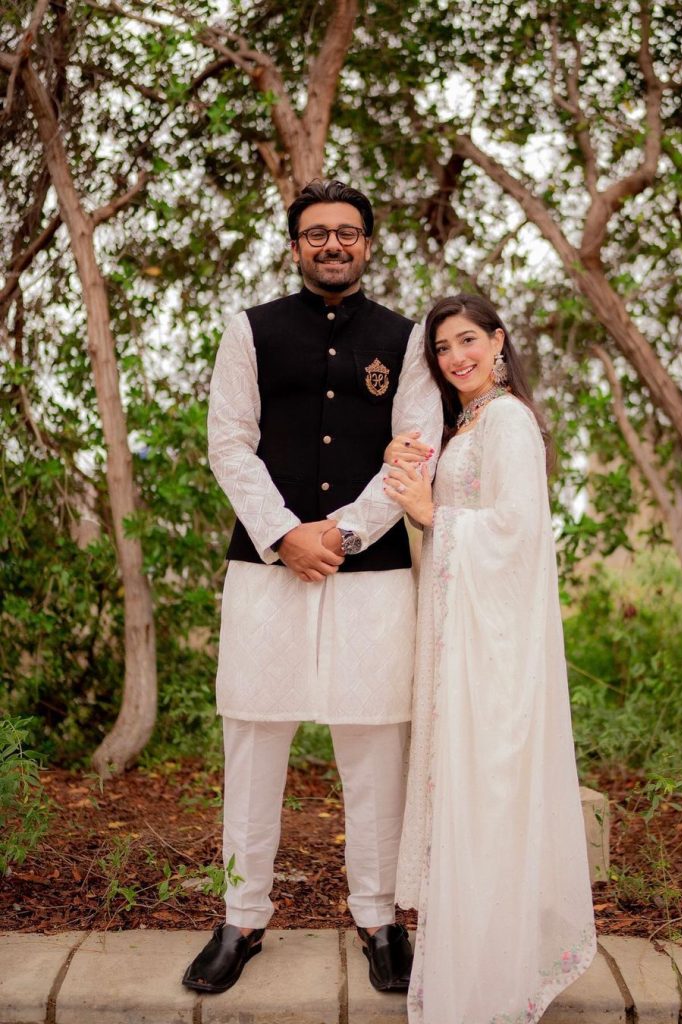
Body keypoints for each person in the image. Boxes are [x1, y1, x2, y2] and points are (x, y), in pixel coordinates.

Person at [182, 179, 442, 996]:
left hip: (370, 574)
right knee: (253, 740)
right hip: (266, 568)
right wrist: (285, 534)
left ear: (369, 244)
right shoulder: (247, 330)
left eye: (348, 233)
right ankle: (241, 917)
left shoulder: (405, 340)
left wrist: (343, 534)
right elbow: (229, 443)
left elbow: (412, 451)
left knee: (373, 749)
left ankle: (377, 919)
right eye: (317, 233)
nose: (333, 245)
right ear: (294, 245)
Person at [383, 294, 596, 1024]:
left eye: (466, 340)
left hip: (494, 647)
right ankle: (467, 963)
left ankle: (488, 980)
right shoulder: (465, 423)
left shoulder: (507, 421)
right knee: (464, 796)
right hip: (456, 637)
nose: (455, 357)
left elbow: (517, 533)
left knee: (489, 795)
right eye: (442, 347)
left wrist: (433, 516)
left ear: (498, 341)